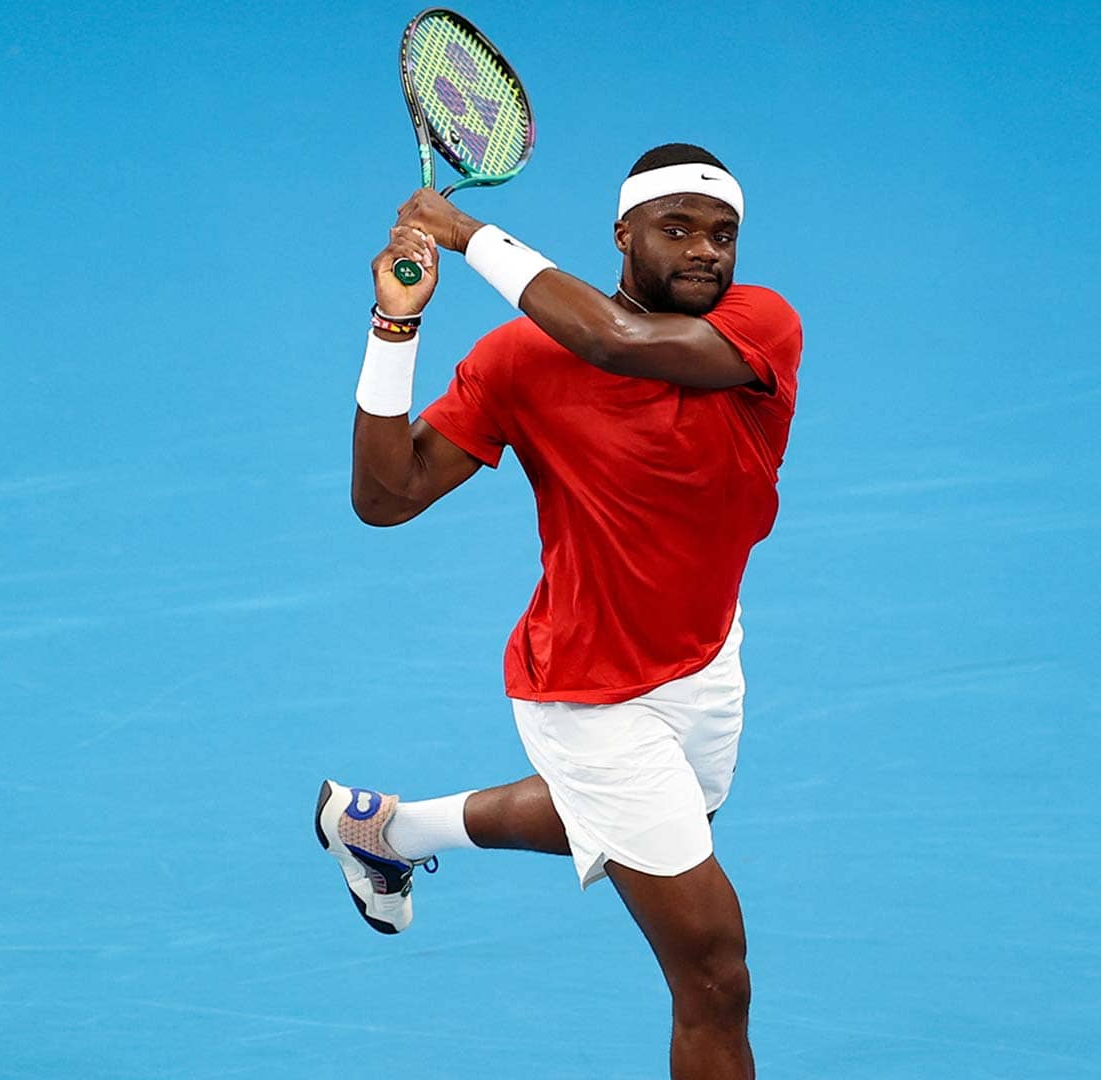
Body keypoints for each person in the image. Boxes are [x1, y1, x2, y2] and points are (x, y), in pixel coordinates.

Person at [315, 142, 801, 1080]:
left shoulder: (759, 328)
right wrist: (393, 327)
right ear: (623, 235)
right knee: (713, 974)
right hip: (586, 694)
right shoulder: (518, 363)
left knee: (649, 822)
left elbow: (616, 343)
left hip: (702, 659)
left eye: (723, 234)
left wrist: (469, 233)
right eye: (678, 228)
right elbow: (386, 496)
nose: (706, 251)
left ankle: (387, 830)